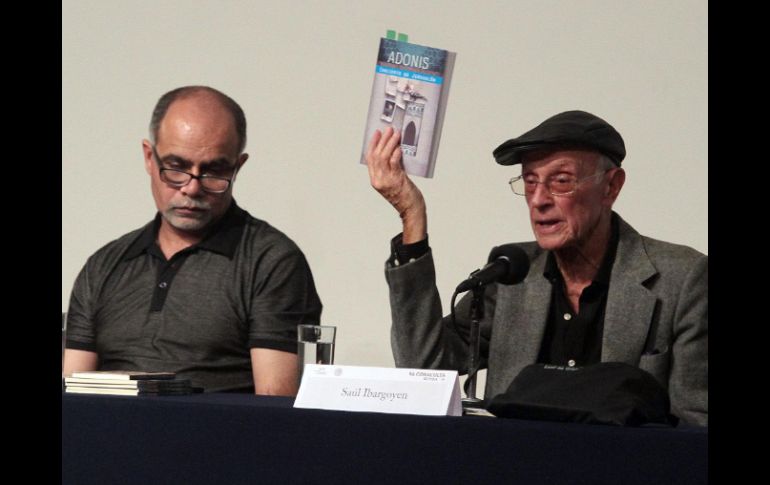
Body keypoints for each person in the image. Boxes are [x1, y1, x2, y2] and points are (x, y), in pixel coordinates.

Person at [366, 110, 707, 426]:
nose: (539, 200)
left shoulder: (683, 279)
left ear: (611, 186)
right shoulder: (511, 273)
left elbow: (695, 430)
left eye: (560, 181)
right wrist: (412, 215)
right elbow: (423, 367)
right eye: (530, 182)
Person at [63, 86, 322, 395]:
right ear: (149, 157)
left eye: (213, 171)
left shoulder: (271, 262)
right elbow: (71, 395)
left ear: (237, 167)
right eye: (176, 167)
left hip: (219, 442)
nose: (192, 187)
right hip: (105, 439)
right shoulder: (104, 266)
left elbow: (276, 411)